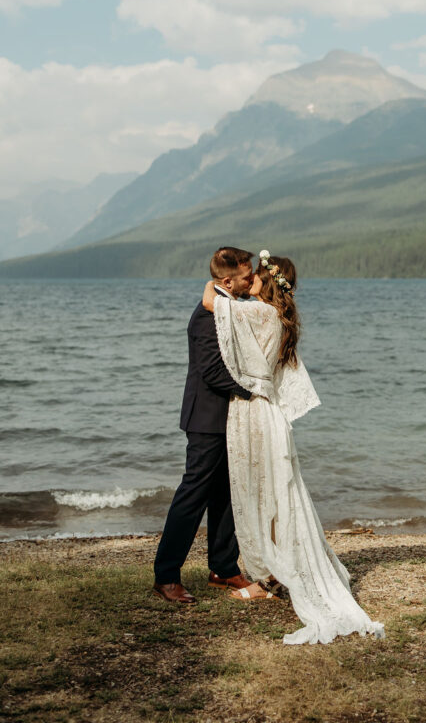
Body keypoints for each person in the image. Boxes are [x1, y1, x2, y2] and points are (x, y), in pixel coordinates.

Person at [203, 250, 385, 645]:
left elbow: (210, 299)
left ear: (268, 281)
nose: (248, 278)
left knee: (258, 496)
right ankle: (269, 575)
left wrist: (220, 275)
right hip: (265, 413)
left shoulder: (261, 314)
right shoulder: (280, 319)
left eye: (255, 274)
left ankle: (267, 579)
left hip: (253, 413)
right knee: (269, 494)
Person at [152, 247, 257, 604]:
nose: (251, 281)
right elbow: (212, 372)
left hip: (228, 417)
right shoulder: (206, 317)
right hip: (207, 420)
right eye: (246, 276)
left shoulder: (225, 305)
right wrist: (253, 392)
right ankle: (166, 576)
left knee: (227, 494)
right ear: (227, 280)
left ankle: (223, 568)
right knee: (192, 496)